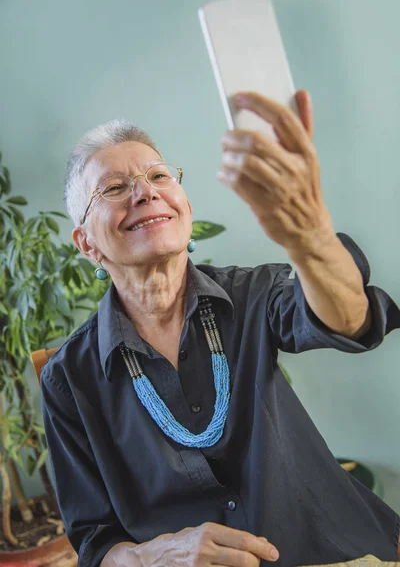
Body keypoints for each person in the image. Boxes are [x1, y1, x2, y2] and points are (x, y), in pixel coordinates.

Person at [41, 90, 400, 567]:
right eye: (114, 187)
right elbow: (95, 540)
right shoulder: (69, 377)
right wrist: (154, 556)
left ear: (183, 202)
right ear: (86, 244)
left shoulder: (252, 294)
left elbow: (348, 320)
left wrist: (309, 233)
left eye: (159, 175)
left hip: (326, 551)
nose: (146, 191)